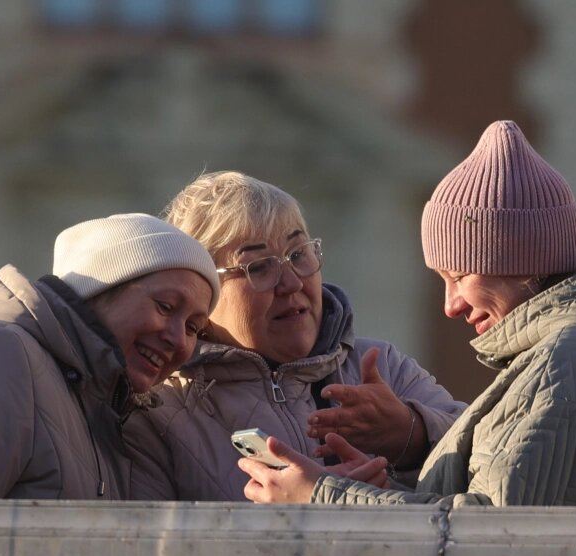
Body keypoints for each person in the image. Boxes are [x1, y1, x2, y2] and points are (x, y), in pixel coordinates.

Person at [239, 120, 576, 507]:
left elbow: (486, 542)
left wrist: (321, 496)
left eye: (459, 275)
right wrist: (390, 488)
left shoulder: (571, 365)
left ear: (518, 261)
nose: (450, 305)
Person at [122, 171, 467, 501]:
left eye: (298, 254)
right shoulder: (158, 412)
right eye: (258, 267)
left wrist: (410, 435)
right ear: (202, 292)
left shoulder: (380, 368)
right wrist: (306, 514)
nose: (292, 283)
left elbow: (490, 468)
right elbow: (156, 554)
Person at [0, 214, 220, 499]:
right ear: (100, 290)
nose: (177, 339)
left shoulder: (97, 405)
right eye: (165, 306)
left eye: (193, 327)